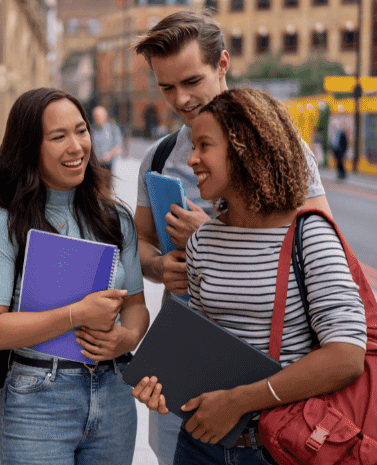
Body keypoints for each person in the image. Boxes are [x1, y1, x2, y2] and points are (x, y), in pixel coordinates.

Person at [131, 10, 332, 463]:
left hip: (271, 367)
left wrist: (217, 240)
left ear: (222, 64)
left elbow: (316, 241)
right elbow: (140, 245)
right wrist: (158, 267)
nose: (181, 99)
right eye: (166, 87)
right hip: (186, 353)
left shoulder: (283, 149)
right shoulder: (159, 157)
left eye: (191, 81)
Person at [0, 87, 150, 464]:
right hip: (38, 399)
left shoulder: (115, 220)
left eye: (81, 131)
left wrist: (125, 338)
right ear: (29, 147)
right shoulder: (2, 227)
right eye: (58, 137)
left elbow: (136, 306)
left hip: (114, 393)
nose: (76, 146)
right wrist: (75, 315)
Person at [91, 105, 124, 174]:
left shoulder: (112, 128)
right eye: (95, 116)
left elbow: (119, 146)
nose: (97, 118)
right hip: (94, 165)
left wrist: (109, 154)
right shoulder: (90, 129)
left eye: (99, 116)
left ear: (105, 116)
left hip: (108, 165)